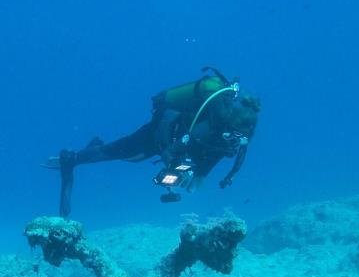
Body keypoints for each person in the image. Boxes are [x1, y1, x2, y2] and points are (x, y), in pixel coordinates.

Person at [44, 67, 261, 218]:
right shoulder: (210, 125)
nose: (235, 141)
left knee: (128, 156)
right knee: (119, 153)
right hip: (159, 133)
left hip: (175, 143)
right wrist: (176, 166)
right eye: (233, 136)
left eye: (240, 138)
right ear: (227, 126)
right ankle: (71, 158)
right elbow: (174, 150)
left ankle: (91, 150)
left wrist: (198, 175)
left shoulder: (233, 137)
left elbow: (213, 157)